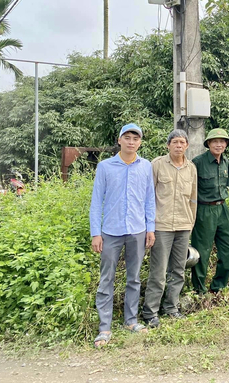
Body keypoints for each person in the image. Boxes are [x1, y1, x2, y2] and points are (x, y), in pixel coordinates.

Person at [89, 123, 155, 348]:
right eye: (127, 137)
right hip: (111, 232)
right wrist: (95, 233)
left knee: (134, 278)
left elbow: (149, 200)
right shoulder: (106, 167)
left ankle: (130, 321)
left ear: (140, 143)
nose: (131, 142)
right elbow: (97, 202)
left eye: (135, 138)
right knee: (106, 279)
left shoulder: (145, 166)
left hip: (137, 230)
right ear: (119, 140)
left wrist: (150, 227)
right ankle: (104, 327)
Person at [142, 130, 197, 328]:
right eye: (175, 142)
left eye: (182, 142)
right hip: (162, 226)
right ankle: (150, 313)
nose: (178, 146)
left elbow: (193, 198)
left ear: (187, 145)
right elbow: (149, 197)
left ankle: (171, 308)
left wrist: (191, 223)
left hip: (183, 225)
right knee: (158, 271)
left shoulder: (191, 168)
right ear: (168, 145)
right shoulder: (157, 165)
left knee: (179, 270)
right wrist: (149, 226)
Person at [190, 128, 229, 294]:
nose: (219, 144)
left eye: (222, 141)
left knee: (227, 249)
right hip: (204, 209)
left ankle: (219, 285)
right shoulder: (198, 162)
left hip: (222, 208)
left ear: (226, 144)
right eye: (215, 141)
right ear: (208, 144)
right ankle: (199, 288)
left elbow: (226, 184)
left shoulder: (226, 162)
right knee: (202, 250)